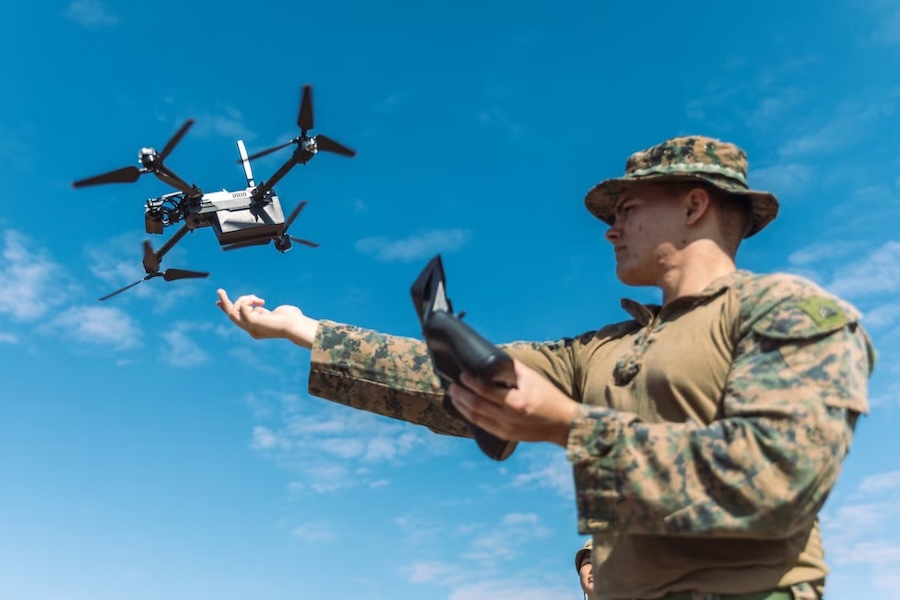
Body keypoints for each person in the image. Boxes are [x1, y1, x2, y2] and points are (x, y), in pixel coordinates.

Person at [216, 135, 876, 600]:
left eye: (626, 211)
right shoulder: (600, 349)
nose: (610, 230)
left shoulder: (788, 310)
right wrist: (304, 332)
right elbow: (462, 381)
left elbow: (777, 477)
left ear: (695, 205)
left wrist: (570, 426)